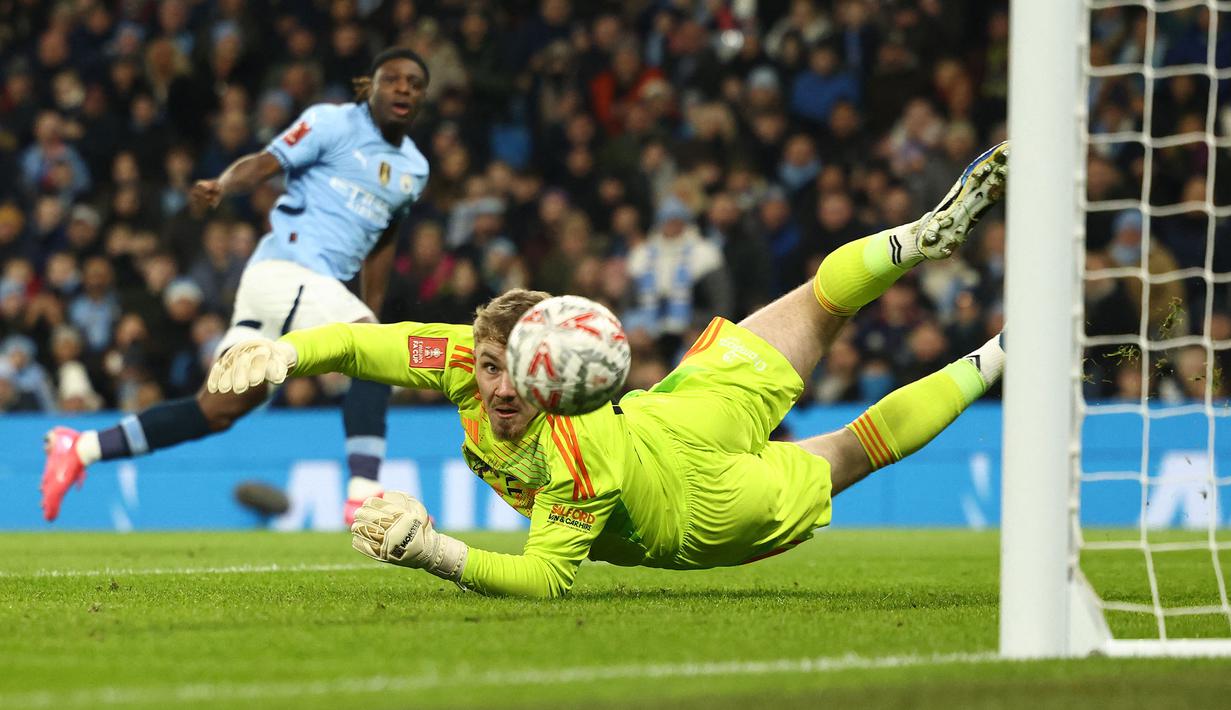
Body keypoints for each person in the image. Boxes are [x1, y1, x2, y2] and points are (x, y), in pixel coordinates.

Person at [208, 144, 1010, 598]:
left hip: (703, 510)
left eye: (515, 378)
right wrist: (288, 352)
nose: (495, 390)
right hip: (672, 414)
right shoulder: (468, 355)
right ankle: (922, 247)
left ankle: (1002, 351)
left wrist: (434, 552)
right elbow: (362, 346)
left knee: (854, 448)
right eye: (487, 367)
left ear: (554, 377)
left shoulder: (572, 452)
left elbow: (547, 579)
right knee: (818, 305)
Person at [40, 48, 433, 523]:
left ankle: (80, 447)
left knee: (215, 410)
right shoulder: (333, 124)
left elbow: (384, 239)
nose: (404, 89)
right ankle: (364, 495)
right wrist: (224, 185)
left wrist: (370, 308)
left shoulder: (414, 169)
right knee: (376, 352)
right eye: (393, 79)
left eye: (414, 82)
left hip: (290, 295)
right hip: (285, 271)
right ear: (371, 86)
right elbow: (266, 162)